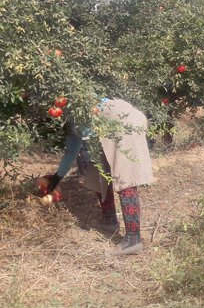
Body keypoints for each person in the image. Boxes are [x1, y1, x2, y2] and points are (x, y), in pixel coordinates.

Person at [44, 98, 153, 256]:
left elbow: (75, 145)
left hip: (122, 122)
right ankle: (109, 220)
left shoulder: (73, 101)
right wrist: (57, 177)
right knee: (98, 172)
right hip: (107, 126)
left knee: (124, 176)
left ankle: (133, 240)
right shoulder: (69, 112)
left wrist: (56, 178)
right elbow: (72, 150)